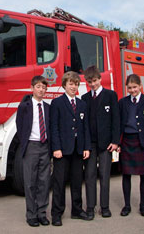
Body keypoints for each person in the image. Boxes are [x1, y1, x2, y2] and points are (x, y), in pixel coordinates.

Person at [50, 71, 91, 226]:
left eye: (75, 84)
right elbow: (54, 127)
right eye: (70, 84)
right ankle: (57, 213)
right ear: (64, 85)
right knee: (59, 182)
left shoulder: (82, 104)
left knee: (76, 181)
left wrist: (86, 147)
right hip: (62, 150)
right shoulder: (57, 103)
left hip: (78, 149)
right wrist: (56, 148)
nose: (73, 87)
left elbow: (85, 127)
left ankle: (77, 210)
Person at [81, 66, 120, 219]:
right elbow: (83, 125)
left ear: (100, 79)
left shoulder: (111, 96)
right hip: (90, 145)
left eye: (95, 81)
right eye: (90, 82)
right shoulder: (84, 99)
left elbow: (116, 120)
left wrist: (115, 141)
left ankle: (105, 207)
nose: (93, 84)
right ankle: (90, 207)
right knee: (90, 175)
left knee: (104, 175)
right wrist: (85, 145)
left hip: (106, 145)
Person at [118, 74, 144, 217]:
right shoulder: (122, 102)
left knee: (143, 175)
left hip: (142, 142)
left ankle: (143, 206)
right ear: (126, 88)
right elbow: (118, 124)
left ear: (140, 86)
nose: (132, 90)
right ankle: (127, 205)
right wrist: (118, 142)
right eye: (129, 88)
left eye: (135, 87)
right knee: (126, 174)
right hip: (126, 141)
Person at [16, 76, 51, 227]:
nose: (41, 90)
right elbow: (20, 127)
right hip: (31, 146)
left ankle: (42, 213)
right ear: (32, 88)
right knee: (30, 182)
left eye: (43, 87)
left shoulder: (48, 108)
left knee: (44, 182)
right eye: (38, 87)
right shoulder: (24, 106)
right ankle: (31, 214)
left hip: (45, 147)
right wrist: (26, 143)